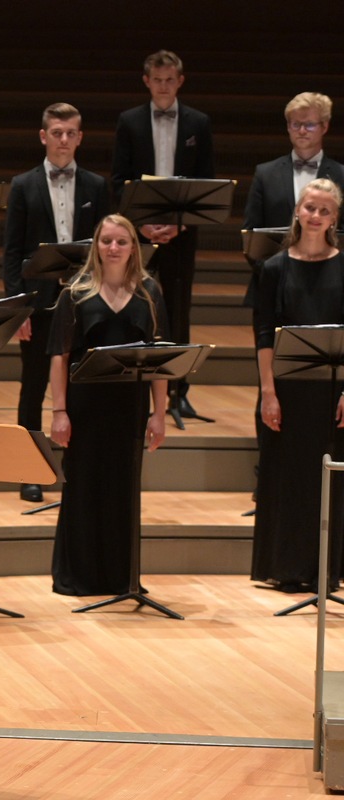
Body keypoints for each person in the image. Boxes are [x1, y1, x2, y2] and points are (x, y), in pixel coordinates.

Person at [48, 214, 168, 597]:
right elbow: (59, 357)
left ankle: (122, 577)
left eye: (121, 242)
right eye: (106, 241)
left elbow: (160, 360)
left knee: (123, 489)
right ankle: (79, 576)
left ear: (134, 247)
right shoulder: (75, 293)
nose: (113, 248)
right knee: (82, 486)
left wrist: (160, 413)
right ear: (95, 246)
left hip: (128, 407)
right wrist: (59, 411)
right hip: (85, 407)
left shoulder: (150, 293)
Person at [3, 103, 110, 502]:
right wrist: (18, 308)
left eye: (70, 134)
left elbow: (106, 247)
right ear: (43, 136)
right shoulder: (22, 185)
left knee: (80, 389)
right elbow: (12, 253)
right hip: (40, 303)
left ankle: (73, 468)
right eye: (56, 133)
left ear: (79, 138)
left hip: (85, 303)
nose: (63, 140)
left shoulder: (97, 187)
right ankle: (28, 469)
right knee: (32, 387)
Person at [252, 179, 344, 592]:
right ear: (298, 211)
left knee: (331, 479)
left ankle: (328, 569)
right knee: (289, 477)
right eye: (310, 207)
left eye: (325, 211)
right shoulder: (273, 268)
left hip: (334, 392)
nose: (316, 216)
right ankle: (287, 566)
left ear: (334, 219)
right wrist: (268, 393)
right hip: (287, 391)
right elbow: (263, 335)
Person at [111, 49, 213, 421]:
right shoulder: (130, 121)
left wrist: (180, 223)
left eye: (171, 79)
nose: (164, 86)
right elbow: (119, 180)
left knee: (180, 308)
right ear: (147, 81)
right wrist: (141, 225)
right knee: (140, 304)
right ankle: (141, 382)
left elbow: (205, 181)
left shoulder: (198, 123)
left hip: (182, 234)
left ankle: (178, 390)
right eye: (158, 80)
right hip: (139, 234)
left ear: (180, 81)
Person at [243, 93, 344, 306]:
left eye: (309, 124)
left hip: (331, 287)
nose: (301, 131)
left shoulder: (342, 175)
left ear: (324, 127)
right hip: (274, 284)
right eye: (296, 124)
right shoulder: (265, 173)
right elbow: (252, 234)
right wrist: (274, 274)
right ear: (288, 127)